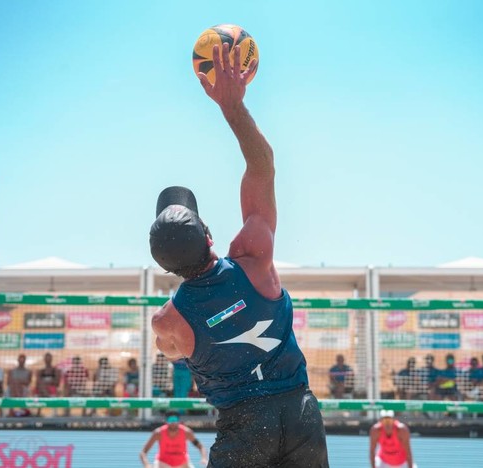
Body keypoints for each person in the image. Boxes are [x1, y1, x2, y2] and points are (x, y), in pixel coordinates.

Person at [149, 43, 328, 467]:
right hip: (300, 412)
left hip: (244, 425)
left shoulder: (168, 319)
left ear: (165, 267)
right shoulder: (254, 256)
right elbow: (262, 165)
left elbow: (173, 352)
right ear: (209, 235)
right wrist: (232, 107)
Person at [140, 412, 207, 468]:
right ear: (166, 421)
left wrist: (204, 458)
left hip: (183, 464)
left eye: (175, 420)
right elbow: (143, 452)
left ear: (179, 421)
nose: (173, 423)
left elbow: (200, 447)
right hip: (163, 464)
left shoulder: (186, 432)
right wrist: (147, 465)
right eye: (170, 420)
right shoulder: (158, 433)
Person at [35, 352, 61, 417]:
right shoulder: (41, 371)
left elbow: (57, 383)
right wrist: (49, 381)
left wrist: (45, 383)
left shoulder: (55, 370)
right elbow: (37, 382)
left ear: (51, 359)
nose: (48, 360)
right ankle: (38, 413)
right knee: (40, 388)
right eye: (46, 359)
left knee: (42, 387)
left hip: (51, 389)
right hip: (43, 390)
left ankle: (39, 412)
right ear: (44, 360)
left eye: (49, 358)